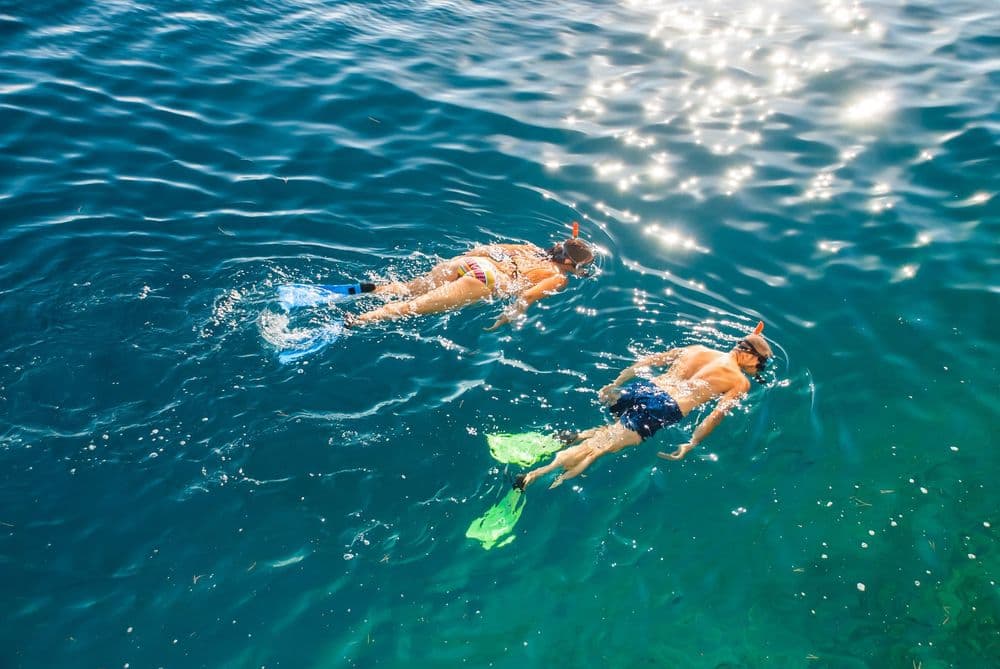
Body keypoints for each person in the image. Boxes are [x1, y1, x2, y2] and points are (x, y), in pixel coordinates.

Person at [513, 322, 773, 490]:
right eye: (758, 365)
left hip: (642, 389)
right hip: (664, 406)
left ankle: (573, 436)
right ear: (749, 354)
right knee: (596, 451)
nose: (755, 370)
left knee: (612, 431)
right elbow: (716, 415)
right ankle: (533, 477)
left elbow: (649, 361)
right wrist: (691, 444)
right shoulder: (739, 381)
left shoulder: (697, 348)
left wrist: (616, 382)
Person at [347, 229, 595, 329]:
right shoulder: (558, 276)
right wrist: (505, 319)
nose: (581, 271)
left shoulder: (530, 249)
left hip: (474, 263)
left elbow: (484, 248)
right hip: (486, 280)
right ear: (568, 263)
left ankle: (363, 290)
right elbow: (527, 295)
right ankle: (357, 320)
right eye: (581, 267)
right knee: (408, 309)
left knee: (406, 289)